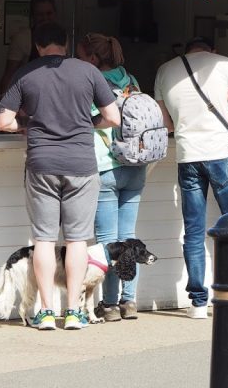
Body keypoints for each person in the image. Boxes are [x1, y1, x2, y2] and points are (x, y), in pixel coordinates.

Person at [0, 21, 120, 330]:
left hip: (41, 164)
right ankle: (75, 312)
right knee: (78, 239)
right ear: (66, 42)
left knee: (43, 239)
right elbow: (113, 117)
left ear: (37, 46)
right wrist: (88, 123)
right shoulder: (89, 72)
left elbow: (3, 122)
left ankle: (46, 312)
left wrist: (27, 126)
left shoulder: (25, 74)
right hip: (81, 164)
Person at [154, 36, 228, 318]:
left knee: (193, 229)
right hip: (220, 152)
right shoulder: (223, 63)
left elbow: (166, 123)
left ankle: (197, 302)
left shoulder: (164, 70)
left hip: (187, 155)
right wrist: (222, 118)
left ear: (186, 50)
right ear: (211, 50)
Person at [77, 32, 147, 321]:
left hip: (106, 165)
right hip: (136, 166)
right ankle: (128, 302)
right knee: (128, 238)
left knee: (108, 241)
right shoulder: (131, 80)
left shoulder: (93, 82)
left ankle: (108, 305)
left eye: (81, 57)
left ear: (93, 58)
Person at [0, 0, 57, 94]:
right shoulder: (22, 38)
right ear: (32, 16)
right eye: (40, 14)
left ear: (55, 13)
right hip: (29, 97)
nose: (45, 18)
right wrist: (4, 104)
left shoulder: (62, 37)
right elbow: (9, 75)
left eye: (49, 13)